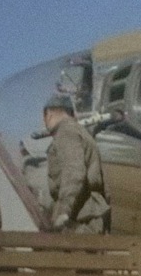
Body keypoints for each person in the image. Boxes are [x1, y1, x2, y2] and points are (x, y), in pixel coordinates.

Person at [42, 95, 110, 233]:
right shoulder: (80, 132)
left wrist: (63, 211)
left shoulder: (66, 132)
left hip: (79, 219)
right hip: (90, 214)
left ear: (49, 114)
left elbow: (74, 172)